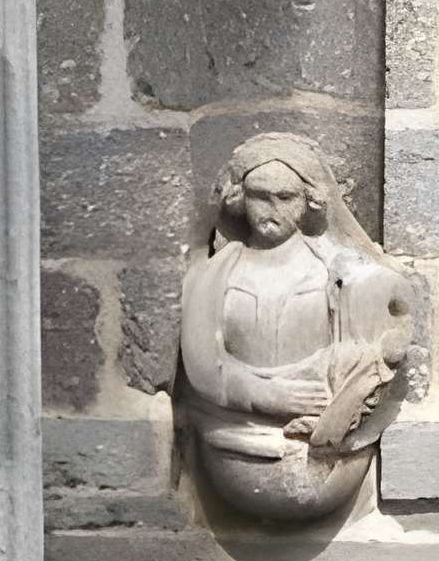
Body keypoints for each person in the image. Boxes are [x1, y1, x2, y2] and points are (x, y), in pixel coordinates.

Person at [176, 132, 418, 520]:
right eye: (259, 196)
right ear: (240, 199)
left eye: (285, 197)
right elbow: (205, 368)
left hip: (321, 452)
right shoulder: (217, 273)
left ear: (309, 202)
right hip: (234, 442)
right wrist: (268, 394)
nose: (270, 209)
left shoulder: (338, 275)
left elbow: (362, 356)